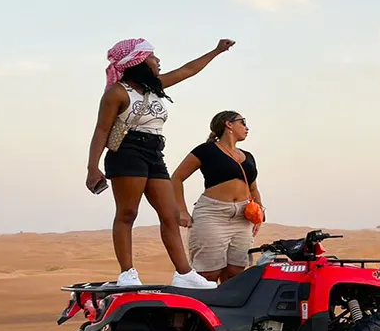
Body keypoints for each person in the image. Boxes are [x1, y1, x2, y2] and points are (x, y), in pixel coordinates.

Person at [85, 37, 235, 288]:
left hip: (154, 152)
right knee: (127, 213)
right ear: (137, 62)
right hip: (127, 151)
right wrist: (92, 167)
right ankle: (127, 273)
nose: (158, 61)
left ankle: (184, 274)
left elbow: (187, 70)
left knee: (170, 214)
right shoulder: (117, 93)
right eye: (152, 57)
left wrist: (217, 51)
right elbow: (101, 130)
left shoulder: (155, 87)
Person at [172, 111, 265, 283]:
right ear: (228, 124)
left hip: (243, 217)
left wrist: (259, 213)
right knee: (208, 274)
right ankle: (202, 309)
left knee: (235, 273)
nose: (247, 127)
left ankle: (226, 310)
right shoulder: (205, 150)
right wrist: (182, 211)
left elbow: (253, 188)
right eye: (242, 122)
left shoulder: (248, 156)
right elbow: (176, 178)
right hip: (213, 214)